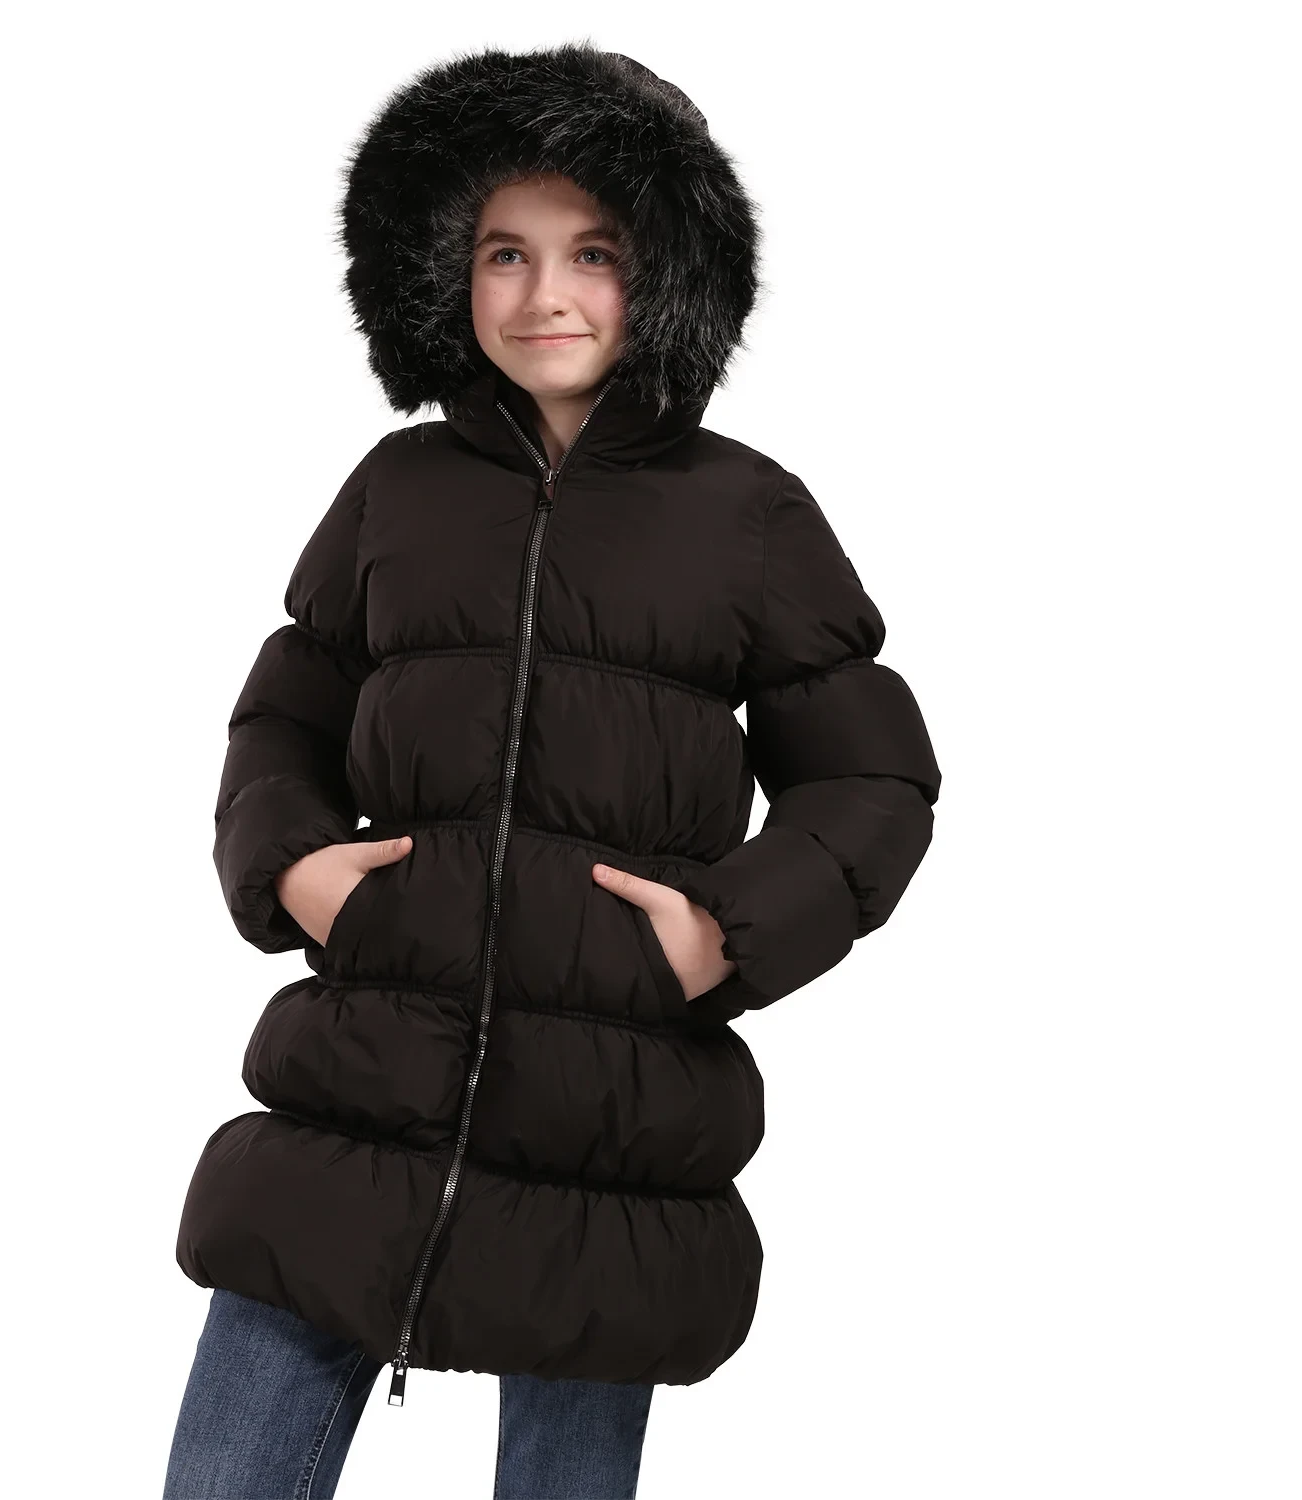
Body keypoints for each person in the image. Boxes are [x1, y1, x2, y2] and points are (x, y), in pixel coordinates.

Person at [164, 40, 941, 1500]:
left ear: (669, 271)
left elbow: (872, 780)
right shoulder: (397, 491)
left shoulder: (748, 515)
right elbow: (283, 717)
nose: (544, 295)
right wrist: (300, 868)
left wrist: (725, 935)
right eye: (502, 253)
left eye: (594, 252)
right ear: (441, 273)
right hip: (366, 1078)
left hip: (614, 1114)